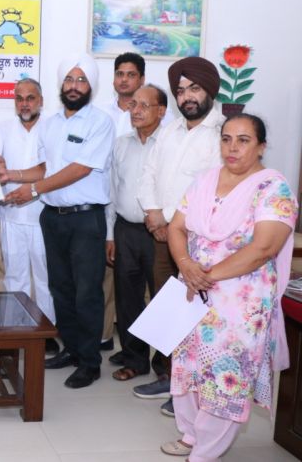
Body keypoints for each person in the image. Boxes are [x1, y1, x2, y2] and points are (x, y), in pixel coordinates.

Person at [159, 114, 297, 461]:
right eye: (226, 139)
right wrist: (187, 267)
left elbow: (264, 247)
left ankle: (207, 450)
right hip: (193, 289)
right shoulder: (204, 180)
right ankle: (191, 434)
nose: (232, 147)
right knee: (188, 366)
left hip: (239, 301)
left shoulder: (273, 187)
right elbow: (176, 227)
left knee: (226, 373)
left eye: (244, 140)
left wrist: (207, 275)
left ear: (261, 146)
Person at [0, 54, 114, 388]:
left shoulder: (99, 122)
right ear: (61, 85)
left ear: (91, 86)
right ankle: (72, 350)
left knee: (86, 292)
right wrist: (13, 175)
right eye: (69, 80)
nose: (74, 86)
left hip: (85, 220)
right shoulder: (51, 124)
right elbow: (45, 168)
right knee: (60, 289)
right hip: (53, 218)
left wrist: (31, 189)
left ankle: (89, 362)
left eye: (81, 80)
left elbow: (80, 169)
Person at [135, 56, 227, 415]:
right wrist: (153, 212)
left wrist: (172, 221)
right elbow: (149, 171)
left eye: (194, 88)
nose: (187, 96)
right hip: (163, 236)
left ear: (210, 90)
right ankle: (172, 378)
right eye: (180, 90)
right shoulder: (171, 130)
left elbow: (219, 189)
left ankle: (193, 391)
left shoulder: (224, 131)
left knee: (199, 316)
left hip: (201, 242)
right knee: (169, 310)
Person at [105, 84, 166, 381]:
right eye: (133, 105)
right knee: (128, 298)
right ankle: (135, 358)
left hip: (160, 233)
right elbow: (113, 191)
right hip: (125, 229)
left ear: (162, 111)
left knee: (164, 299)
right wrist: (110, 234)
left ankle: (166, 368)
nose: (136, 110)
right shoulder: (121, 144)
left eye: (144, 105)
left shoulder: (170, 144)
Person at [0, 78, 58, 355]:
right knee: (14, 277)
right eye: (19, 98)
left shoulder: (54, 128)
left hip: (44, 214)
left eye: (30, 98)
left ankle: (45, 333)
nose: (25, 103)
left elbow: (51, 168)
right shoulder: (2, 128)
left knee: (45, 279)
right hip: (11, 214)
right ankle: (12, 332)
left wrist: (16, 175)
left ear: (41, 100)